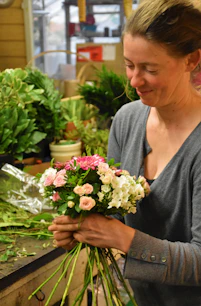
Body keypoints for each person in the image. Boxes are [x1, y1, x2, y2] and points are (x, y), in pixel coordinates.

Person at [48, 0, 201, 305]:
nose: (133, 80)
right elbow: (117, 213)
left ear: (191, 60)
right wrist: (81, 228)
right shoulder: (127, 120)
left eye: (149, 69)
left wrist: (121, 237)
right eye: (129, 65)